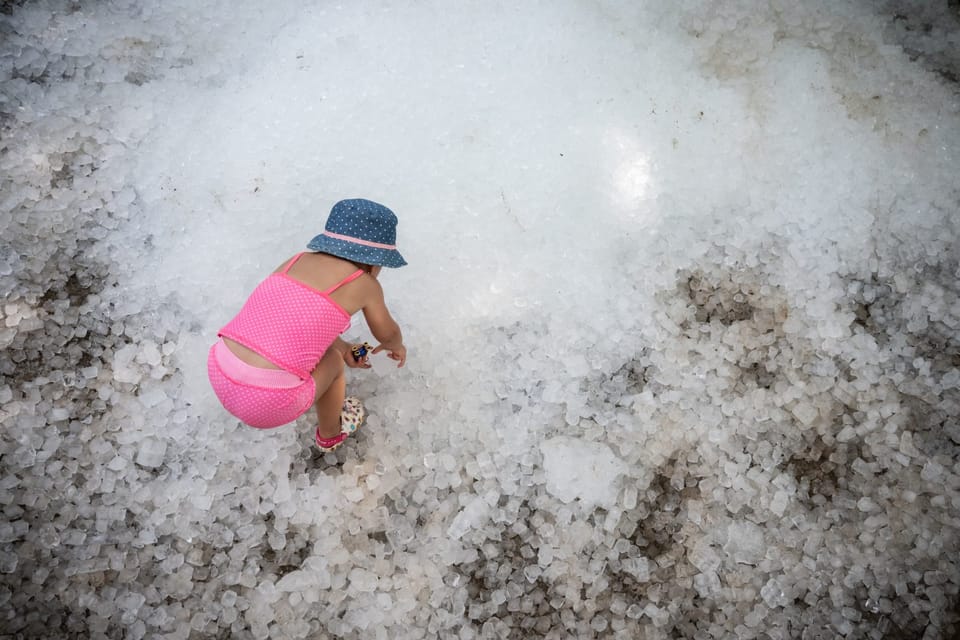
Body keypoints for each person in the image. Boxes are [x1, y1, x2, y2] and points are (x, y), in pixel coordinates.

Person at [207, 198, 407, 452]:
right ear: (374, 261)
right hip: (267, 402)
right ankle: (331, 433)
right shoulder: (364, 283)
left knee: (309, 343)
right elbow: (386, 333)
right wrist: (395, 346)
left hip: (220, 369)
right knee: (333, 362)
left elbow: (295, 322)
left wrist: (345, 347)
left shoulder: (296, 260)